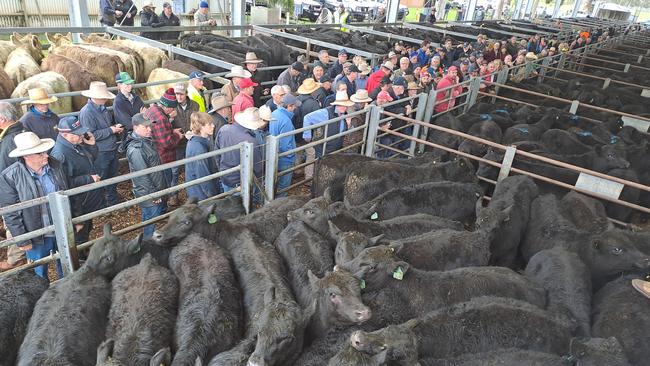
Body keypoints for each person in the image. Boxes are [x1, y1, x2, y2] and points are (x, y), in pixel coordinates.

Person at [0, 132, 65, 279]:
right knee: (38, 273)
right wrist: (23, 239)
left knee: (67, 263)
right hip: (36, 234)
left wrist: (74, 219)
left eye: (45, 151)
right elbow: (10, 212)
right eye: (40, 153)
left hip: (61, 226)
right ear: (26, 156)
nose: (46, 156)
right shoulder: (10, 176)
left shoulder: (55, 165)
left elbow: (68, 191)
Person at [49, 116, 103, 245]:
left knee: (86, 229)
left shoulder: (75, 145)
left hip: (85, 199)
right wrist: (89, 178)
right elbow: (64, 185)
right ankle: (80, 260)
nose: (82, 135)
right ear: (66, 134)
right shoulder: (60, 155)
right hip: (77, 204)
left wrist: (92, 145)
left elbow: (89, 161)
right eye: (78, 133)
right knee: (78, 238)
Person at [122, 113, 167, 237]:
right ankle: (148, 245)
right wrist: (153, 195)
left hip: (154, 188)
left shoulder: (146, 141)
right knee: (151, 220)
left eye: (149, 126)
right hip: (148, 192)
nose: (149, 129)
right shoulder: (136, 149)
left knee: (151, 218)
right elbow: (142, 176)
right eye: (145, 127)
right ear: (136, 127)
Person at [79, 81, 122, 206]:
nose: (105, 98)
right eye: (104, 96)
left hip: (110, 148)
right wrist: (111, 130)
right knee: (101, 178)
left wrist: (113, 128)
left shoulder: (103, 109)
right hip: (100, 152)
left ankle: (112, 200)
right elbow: (89, 135)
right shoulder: (87, 112)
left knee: (112, 176)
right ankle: (102, 205)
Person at [145, 88, 183, 205]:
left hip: (153, 152)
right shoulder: (161, 118)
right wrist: (178, 136)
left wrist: (172, 130)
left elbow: (158, 133)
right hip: (163, 157)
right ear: (169, 107)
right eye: (172, 108)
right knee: (164, 182)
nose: (172, 111)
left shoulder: (152, 109)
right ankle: (162, 205)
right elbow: (166, 143)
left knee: (157, 181)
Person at [214, 107, 265, 194]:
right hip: (242, 182)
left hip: (225, 178)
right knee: (244, 205)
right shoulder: (251, 141)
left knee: (230, 203)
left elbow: (217, 153)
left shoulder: (224, 129)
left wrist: (221, 170)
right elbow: (258, 167)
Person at [0, 102, 26, 271]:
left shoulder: (9, 141)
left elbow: (5, 172)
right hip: (18, 188)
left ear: (2, 119)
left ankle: (16, 259)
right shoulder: (20, 131)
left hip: (12, 192)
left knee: (14, 220)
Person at [303, 91, 353, 158]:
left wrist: (348, 125)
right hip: (323, 151)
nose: (344, 107)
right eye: (341, 104)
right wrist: (307, 136)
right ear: (336, 104)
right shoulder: (326, 113)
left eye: (345, 105)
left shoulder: (345, 115)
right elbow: (307, 118)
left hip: (336, 151)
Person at [270, 94, 300, 196]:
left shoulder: (274, 113)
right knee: (283, 187)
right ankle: (280, 206)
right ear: (289, 106)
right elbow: (285, 145)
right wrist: (291, 156)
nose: (295, 108)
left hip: (274, 154)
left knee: (274, 184)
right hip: (285, 158)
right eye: (294, 106)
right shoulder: (286, 121)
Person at [185, 112, 219, 201]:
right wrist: (213, 196)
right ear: (201, 127)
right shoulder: (198, 148)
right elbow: (203, 176)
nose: (213, 126)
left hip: (197, 190)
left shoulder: (199, 141)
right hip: (201, 194)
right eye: (209, 124)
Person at [112, 72, 144, 137]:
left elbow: (146, 114)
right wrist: (141, 116)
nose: (130, 86)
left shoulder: (136, 97)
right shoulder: (118, 102)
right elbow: (128, 124)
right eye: (127, 84)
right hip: (129, 136)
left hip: (142, 131)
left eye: (130, 83)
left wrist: (136, 118)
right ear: (119, 85)